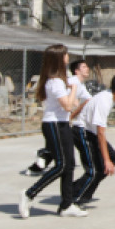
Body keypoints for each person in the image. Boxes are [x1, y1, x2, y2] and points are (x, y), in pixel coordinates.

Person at [19, 44, 88, 218]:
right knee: (61, 165)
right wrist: (73, 90)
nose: (67, 57)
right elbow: (68, 105)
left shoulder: (60, 80)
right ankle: (29, 193)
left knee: (70, 164)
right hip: (54, 124)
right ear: (59, 58)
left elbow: (71, 105)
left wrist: (72, 93)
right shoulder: (55, 81)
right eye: (65, 55)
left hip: (62, 124)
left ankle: (66, 205)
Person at [71, 74, 115, 206]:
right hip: (82, 132)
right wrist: (106, 160)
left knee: (113, 157)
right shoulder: (105, 100)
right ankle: (75, 199)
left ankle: (75, 188)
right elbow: (101, 133)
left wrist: (71, 116)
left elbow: (87, 102)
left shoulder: (108, 95)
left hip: (90, 132)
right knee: (94, 170)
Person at [68, 59, 94, 204]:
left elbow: (88, 100)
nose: (87, 69)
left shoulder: (80, 84)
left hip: (75, 124)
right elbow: (69, 102)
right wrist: (73, 114)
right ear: (77, 71)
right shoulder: (72, 81)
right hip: (73, 126)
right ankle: (73, 194)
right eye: (84, 67)